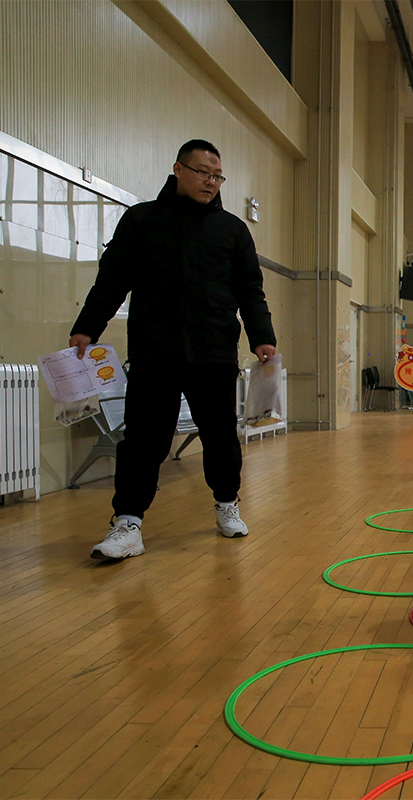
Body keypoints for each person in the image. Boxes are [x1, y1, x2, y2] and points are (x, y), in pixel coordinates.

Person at [69, 139, 277, 561]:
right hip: (154, 352)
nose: (210, 182)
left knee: (220, 437)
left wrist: (262, 337)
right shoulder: (142, 221)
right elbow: (112, 280)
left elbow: (250, 291)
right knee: (143, 440)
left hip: (214, 351)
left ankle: (226, 503)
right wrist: (86, 328)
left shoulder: (233, 230)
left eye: (217, 175)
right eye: (202, 172)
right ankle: (128, 523)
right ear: (178, 170)